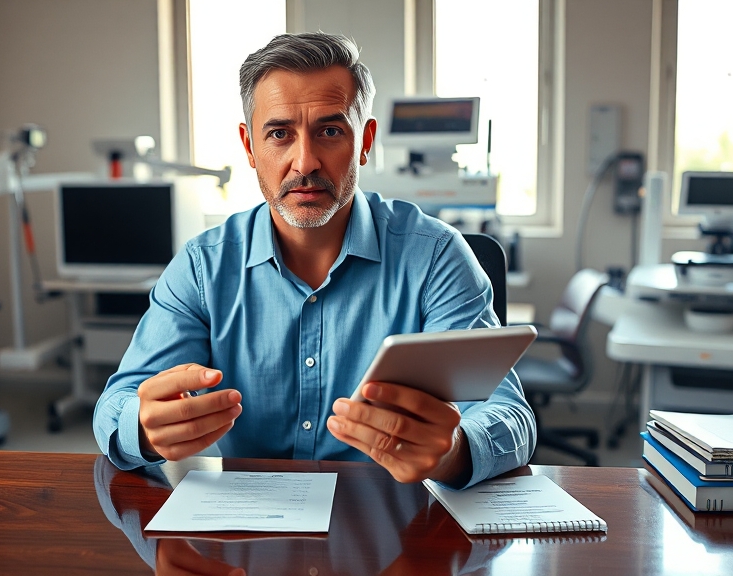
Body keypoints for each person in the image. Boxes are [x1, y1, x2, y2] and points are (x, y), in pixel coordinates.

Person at [93, 31, 536, 489]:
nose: (305, 162)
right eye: (280, 134)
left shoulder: (436, 256)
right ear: (249, 147)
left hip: (394, 528)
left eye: (329, 131)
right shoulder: (203, 268)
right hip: (251, 539)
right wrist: (144, 429)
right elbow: (115, 406)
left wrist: (454, 451)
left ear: (365, 141)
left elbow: (509, 415)